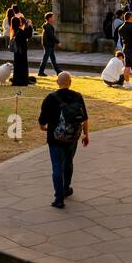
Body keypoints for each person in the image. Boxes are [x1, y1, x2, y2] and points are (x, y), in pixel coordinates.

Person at [38, 72, 89, 209]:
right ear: (70, 82)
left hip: (55, 137)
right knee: (68, 162)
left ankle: (59, 198)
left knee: (56, 166)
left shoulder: (50, 98)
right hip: (72, 137)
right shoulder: (77, 96)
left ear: (57, 82)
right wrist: (86, 134)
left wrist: (44, 128)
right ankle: (66, 188)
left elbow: (42, 120)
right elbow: (84, 118)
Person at [9, 14, 34, 87]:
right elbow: (28, 35)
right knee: (23, 67)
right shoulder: (20, 32)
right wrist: (29, 25)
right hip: (22, 52)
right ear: (18, 23)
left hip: (17, 52)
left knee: (17, 67)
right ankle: (22, 81)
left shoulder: (14, 31)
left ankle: (17, 80)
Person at [39, 11, 62, 76]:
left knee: (52, 59)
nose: (53, 19)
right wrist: (57, 42)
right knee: (45, 59)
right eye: (52, 17)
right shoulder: (48, 27)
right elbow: (51, 36)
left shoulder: (48, 26)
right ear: (49, 18)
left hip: (49, 44)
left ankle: (58, 71)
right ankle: (41, 72)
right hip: (48, 44)